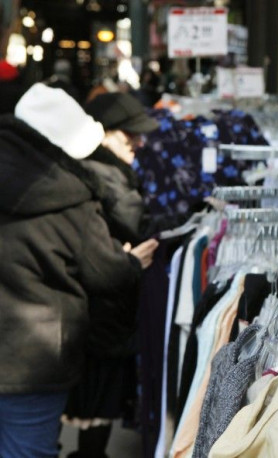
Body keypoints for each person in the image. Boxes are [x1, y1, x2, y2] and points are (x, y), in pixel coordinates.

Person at [0, 83, 157, 457]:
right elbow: (106, 273)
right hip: (35, 360)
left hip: (29, 356)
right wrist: (132, 261)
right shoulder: (73, 196)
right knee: (28, 450)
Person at [62, 91, 160, 458]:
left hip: (95, 308)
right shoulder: (104, 175)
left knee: (88, 399)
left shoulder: (94, 169)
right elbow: (130, 226)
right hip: (100, 306)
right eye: (126, 135)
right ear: (101, 134)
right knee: (94, 397)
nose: (137, 143)